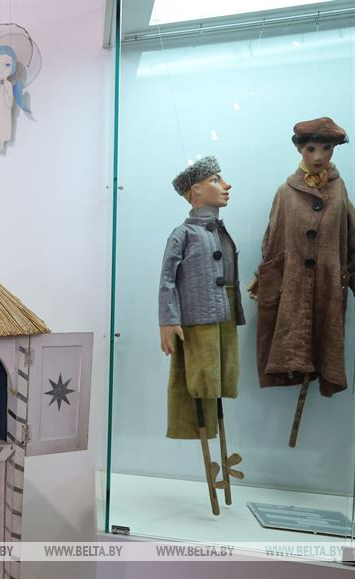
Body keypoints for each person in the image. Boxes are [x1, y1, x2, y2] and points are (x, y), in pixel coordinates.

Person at [159, 156, 245, 515]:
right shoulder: (183, 234)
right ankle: (210, 467)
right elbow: (167, 279)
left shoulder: (220, 230)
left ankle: (222, 475)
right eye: (215, 180)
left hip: (224, 319)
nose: (226, 185)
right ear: (195, 191)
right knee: (199, 386)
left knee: (220, 386)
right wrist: (168, 320)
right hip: (197, 322)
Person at [249, 117, 354, 397]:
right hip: (293, 288)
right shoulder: (286, 192)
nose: (319, 157)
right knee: (295, 345)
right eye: (311, 149)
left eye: (327, 148)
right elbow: (273, 239)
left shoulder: (339, 189)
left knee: (325, 343)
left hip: (328, 288)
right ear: (299, 149)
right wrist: (262, 277)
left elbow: (350, 236)